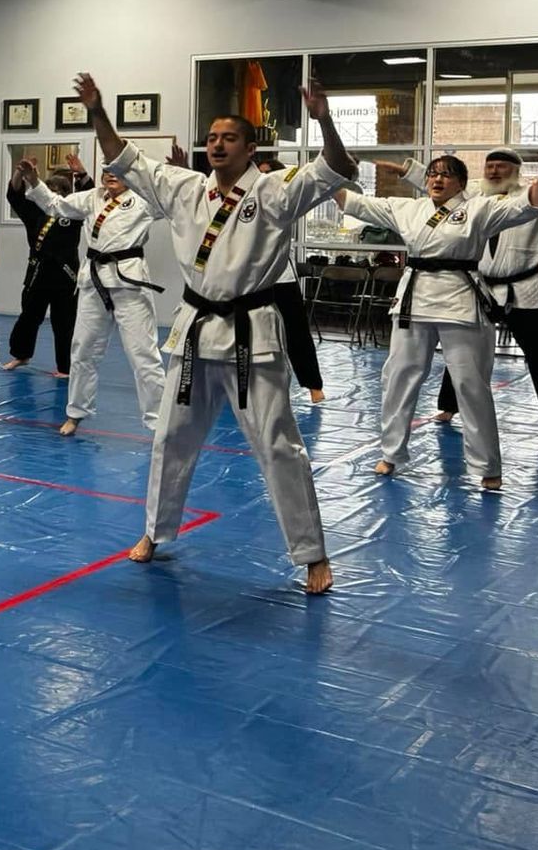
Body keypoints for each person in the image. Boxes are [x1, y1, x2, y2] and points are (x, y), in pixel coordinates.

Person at [76, 72, 355, 595]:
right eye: (212, 137)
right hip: (195, 328)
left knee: (277, 445)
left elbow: (337, 167)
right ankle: (155, 532)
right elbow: (122, 157)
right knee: (170, 438)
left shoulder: (275, 189)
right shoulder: (184, 188)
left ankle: (312, 554)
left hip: (253, 331)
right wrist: (97, 110)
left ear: (251, 148)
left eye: (229, 138)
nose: (217, 144)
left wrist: (323, 119)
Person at [337, 149, 538, 490]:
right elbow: (355, 203)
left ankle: (487, 465)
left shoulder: (478, 208)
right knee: (398, 379)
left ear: (460, 183)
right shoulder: (407, 209)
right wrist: (330, 177)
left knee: (471, 385)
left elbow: (529, 205)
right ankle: (390, 453)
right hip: (414, 301)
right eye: (432, 174)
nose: (437, 179)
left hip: (460, 301)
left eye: (446, 174)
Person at [378, 149, 538, 440]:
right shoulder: (473, 196)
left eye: (501, 167)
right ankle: (448, 407)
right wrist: (406, 170)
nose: (494, 172)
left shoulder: (537, 195)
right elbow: (441, 181)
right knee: (460, 350)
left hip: (522, 289)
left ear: (516, 171)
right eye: (489, 166)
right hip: (478, 286)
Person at [17, 153, 166, 435]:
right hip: (93, 280)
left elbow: (173, 202)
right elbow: (54, 204)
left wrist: (176, 171)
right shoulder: (91, 198)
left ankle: (159, 421)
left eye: (118, 171)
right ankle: (76, 412)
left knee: (143, 354)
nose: (110, 175)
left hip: (129, 281)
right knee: (83, 349)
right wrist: (33, 179)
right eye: (106, 170)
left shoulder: (144, 200)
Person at [1, 153, 89, 376]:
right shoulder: (35, 212)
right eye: (48, 190)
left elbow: (90, 195)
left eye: (57, 191)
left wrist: (81, 174)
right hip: (37, 273)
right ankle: (21, 354)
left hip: (65, 275)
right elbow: (15, 195)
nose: (51, 196)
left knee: (64, 324)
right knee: (28, 318)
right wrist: (20, 172)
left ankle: (65, 367)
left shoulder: (74, 213)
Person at [253, 155, 330, 405]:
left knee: (296, 332)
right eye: (259, 173)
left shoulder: (284, 203)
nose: (263, 178)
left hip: (281, 277)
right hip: (248, 279)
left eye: (268, 173)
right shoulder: (244, 200)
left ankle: (313, 386)